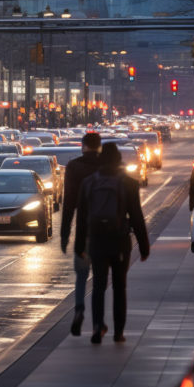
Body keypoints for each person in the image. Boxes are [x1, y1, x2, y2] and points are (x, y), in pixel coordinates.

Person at [74, 143, 150, 344]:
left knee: (98, 285)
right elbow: (136, 217)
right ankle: (118, 332)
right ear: (118, 160)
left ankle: (98, 327)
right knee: (119, 286)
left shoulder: (88, 183)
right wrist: (144, 246)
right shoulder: (128, 183)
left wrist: (79, 246)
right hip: (120, 241)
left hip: (97, 241)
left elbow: (81, 217)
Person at [59, 132, 102, 336]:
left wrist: (65, 233)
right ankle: (97, 323)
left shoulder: (74, 167)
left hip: (83, 229)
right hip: (105, 231)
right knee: (100, 278)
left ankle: (79, 309)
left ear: (83, 146)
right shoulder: (107, 166)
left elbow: (68, 204)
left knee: (81, 274)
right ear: (99, 146)